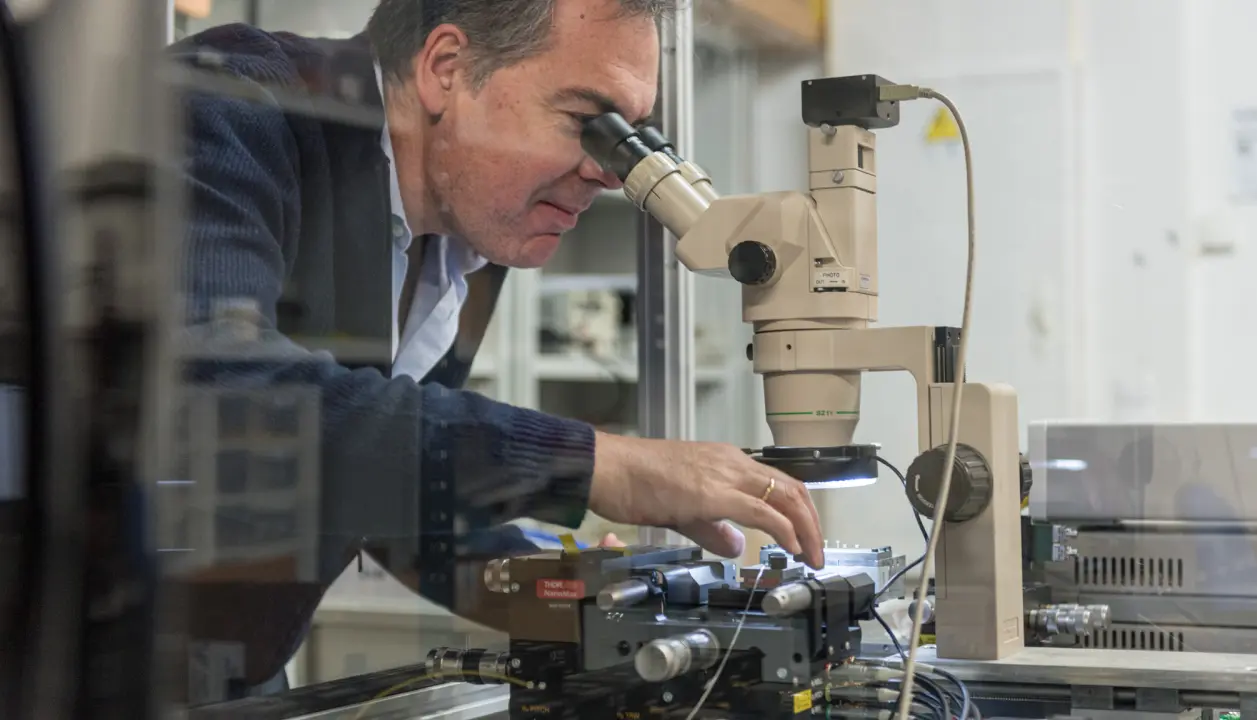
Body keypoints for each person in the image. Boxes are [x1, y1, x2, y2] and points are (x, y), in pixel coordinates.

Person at [171, 0, 824, 698]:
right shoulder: (227, 103)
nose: (610, 174)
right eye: (587, 121)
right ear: (446, 68)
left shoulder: (465, 236)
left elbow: (394, 494)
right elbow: (220, 395)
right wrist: (597, 463)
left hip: (232, 678)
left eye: (628, 138)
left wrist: (588, 601)